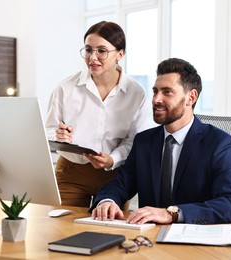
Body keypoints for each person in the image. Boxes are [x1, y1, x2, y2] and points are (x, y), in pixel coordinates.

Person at [91, 58, 231, 224]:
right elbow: (120, 185)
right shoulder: (144, 141)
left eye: (167, 92)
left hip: (196, 240)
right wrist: (107, 201)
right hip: (149, 240)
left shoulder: (218, 143)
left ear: (191, 97)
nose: (156, 99)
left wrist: (171, 214)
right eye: (155, 91)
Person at [45, 21, 152, 207]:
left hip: (115, 176)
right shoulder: (65, 87)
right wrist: (58, 134)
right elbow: (48, 130)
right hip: (71, 171)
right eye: (88, 50)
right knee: (62, 228)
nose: (92, 57)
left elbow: (134, 140)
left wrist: (113, 159)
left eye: (101, 51)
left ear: (120, 53)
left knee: (110, 231)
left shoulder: (137, 93)